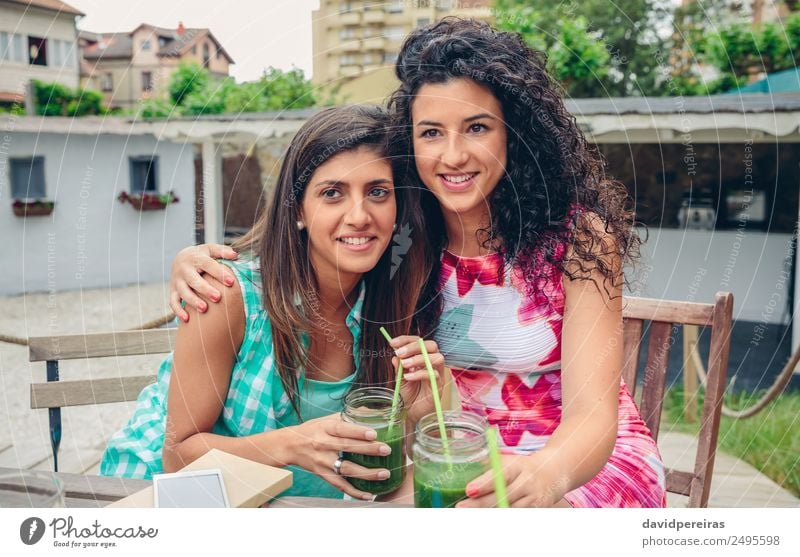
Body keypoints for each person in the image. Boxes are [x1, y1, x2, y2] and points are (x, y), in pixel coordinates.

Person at [169, 19, 666, 508]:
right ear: (411, 142)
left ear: (513, 134)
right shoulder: (401, 233)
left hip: (573, 466)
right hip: (446, 460)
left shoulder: (576, 241)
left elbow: (592, 417)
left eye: (476, 127)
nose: (452, 155)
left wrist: (545, 473)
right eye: (431, 132)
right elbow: (312, 231)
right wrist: (193, 260)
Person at [99, 105, 445, 501]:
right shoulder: (226, 293)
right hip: (166, 496)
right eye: (332, 193)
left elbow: (385, 467)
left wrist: (421, 416)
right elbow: (178, 454)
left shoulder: (396, 300)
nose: (359, 215)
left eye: (378, 192)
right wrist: (293, 444)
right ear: (297, 209)